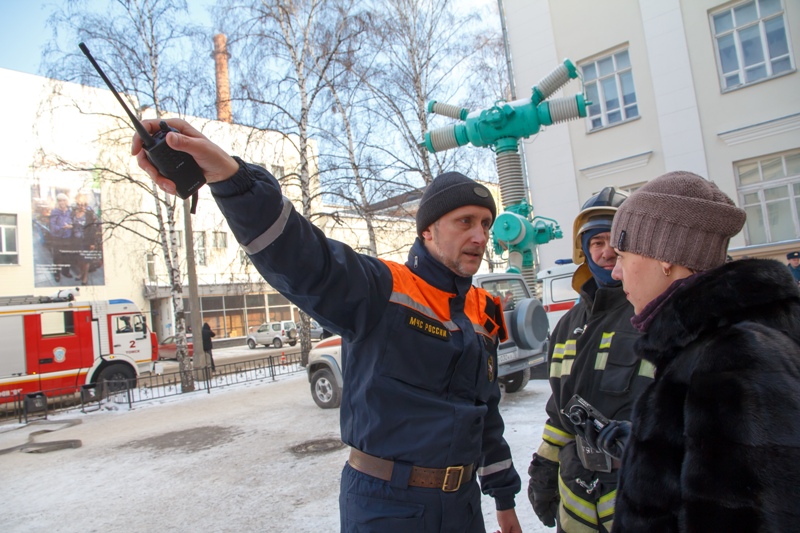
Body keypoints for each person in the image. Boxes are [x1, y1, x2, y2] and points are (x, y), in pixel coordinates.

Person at [132, 118, 523, 533]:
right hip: (390, 507)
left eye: (485, 223)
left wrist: (503, 498)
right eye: (465, 221)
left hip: (462, 507)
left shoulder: (483, 311)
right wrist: (231, 178)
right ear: (427, 230)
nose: (481, 236)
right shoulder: (383, 289)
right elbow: (303, 258)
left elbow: (487, 411)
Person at [597, 171, 800, 532]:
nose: (615, 273)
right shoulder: (707, 345)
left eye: (623, 255)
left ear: (665, 258)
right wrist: (657, 450)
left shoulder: (733, 360)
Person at [527, 187, 654, 533]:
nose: (606, 251)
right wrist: (545, 464)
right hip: (577, 489)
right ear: (583, 250)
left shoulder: (654, 313)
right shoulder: (570, 323)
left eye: (615, 239)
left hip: (638, 492)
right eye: (596, 242)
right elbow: (562, 404)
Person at [49, 193, 73, 282]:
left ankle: (65, 272)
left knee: (67, 256)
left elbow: (74, 222)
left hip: (68, 237)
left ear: (67, 201)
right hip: (57, 238)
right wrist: (62, 228)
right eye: (59, 200)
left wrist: (71, 226)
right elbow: (52, 227)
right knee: (57, 257)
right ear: (57, 202)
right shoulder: (54, 212)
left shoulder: (70, 211)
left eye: (64, 200)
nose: (62, 202)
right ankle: (57, 274)